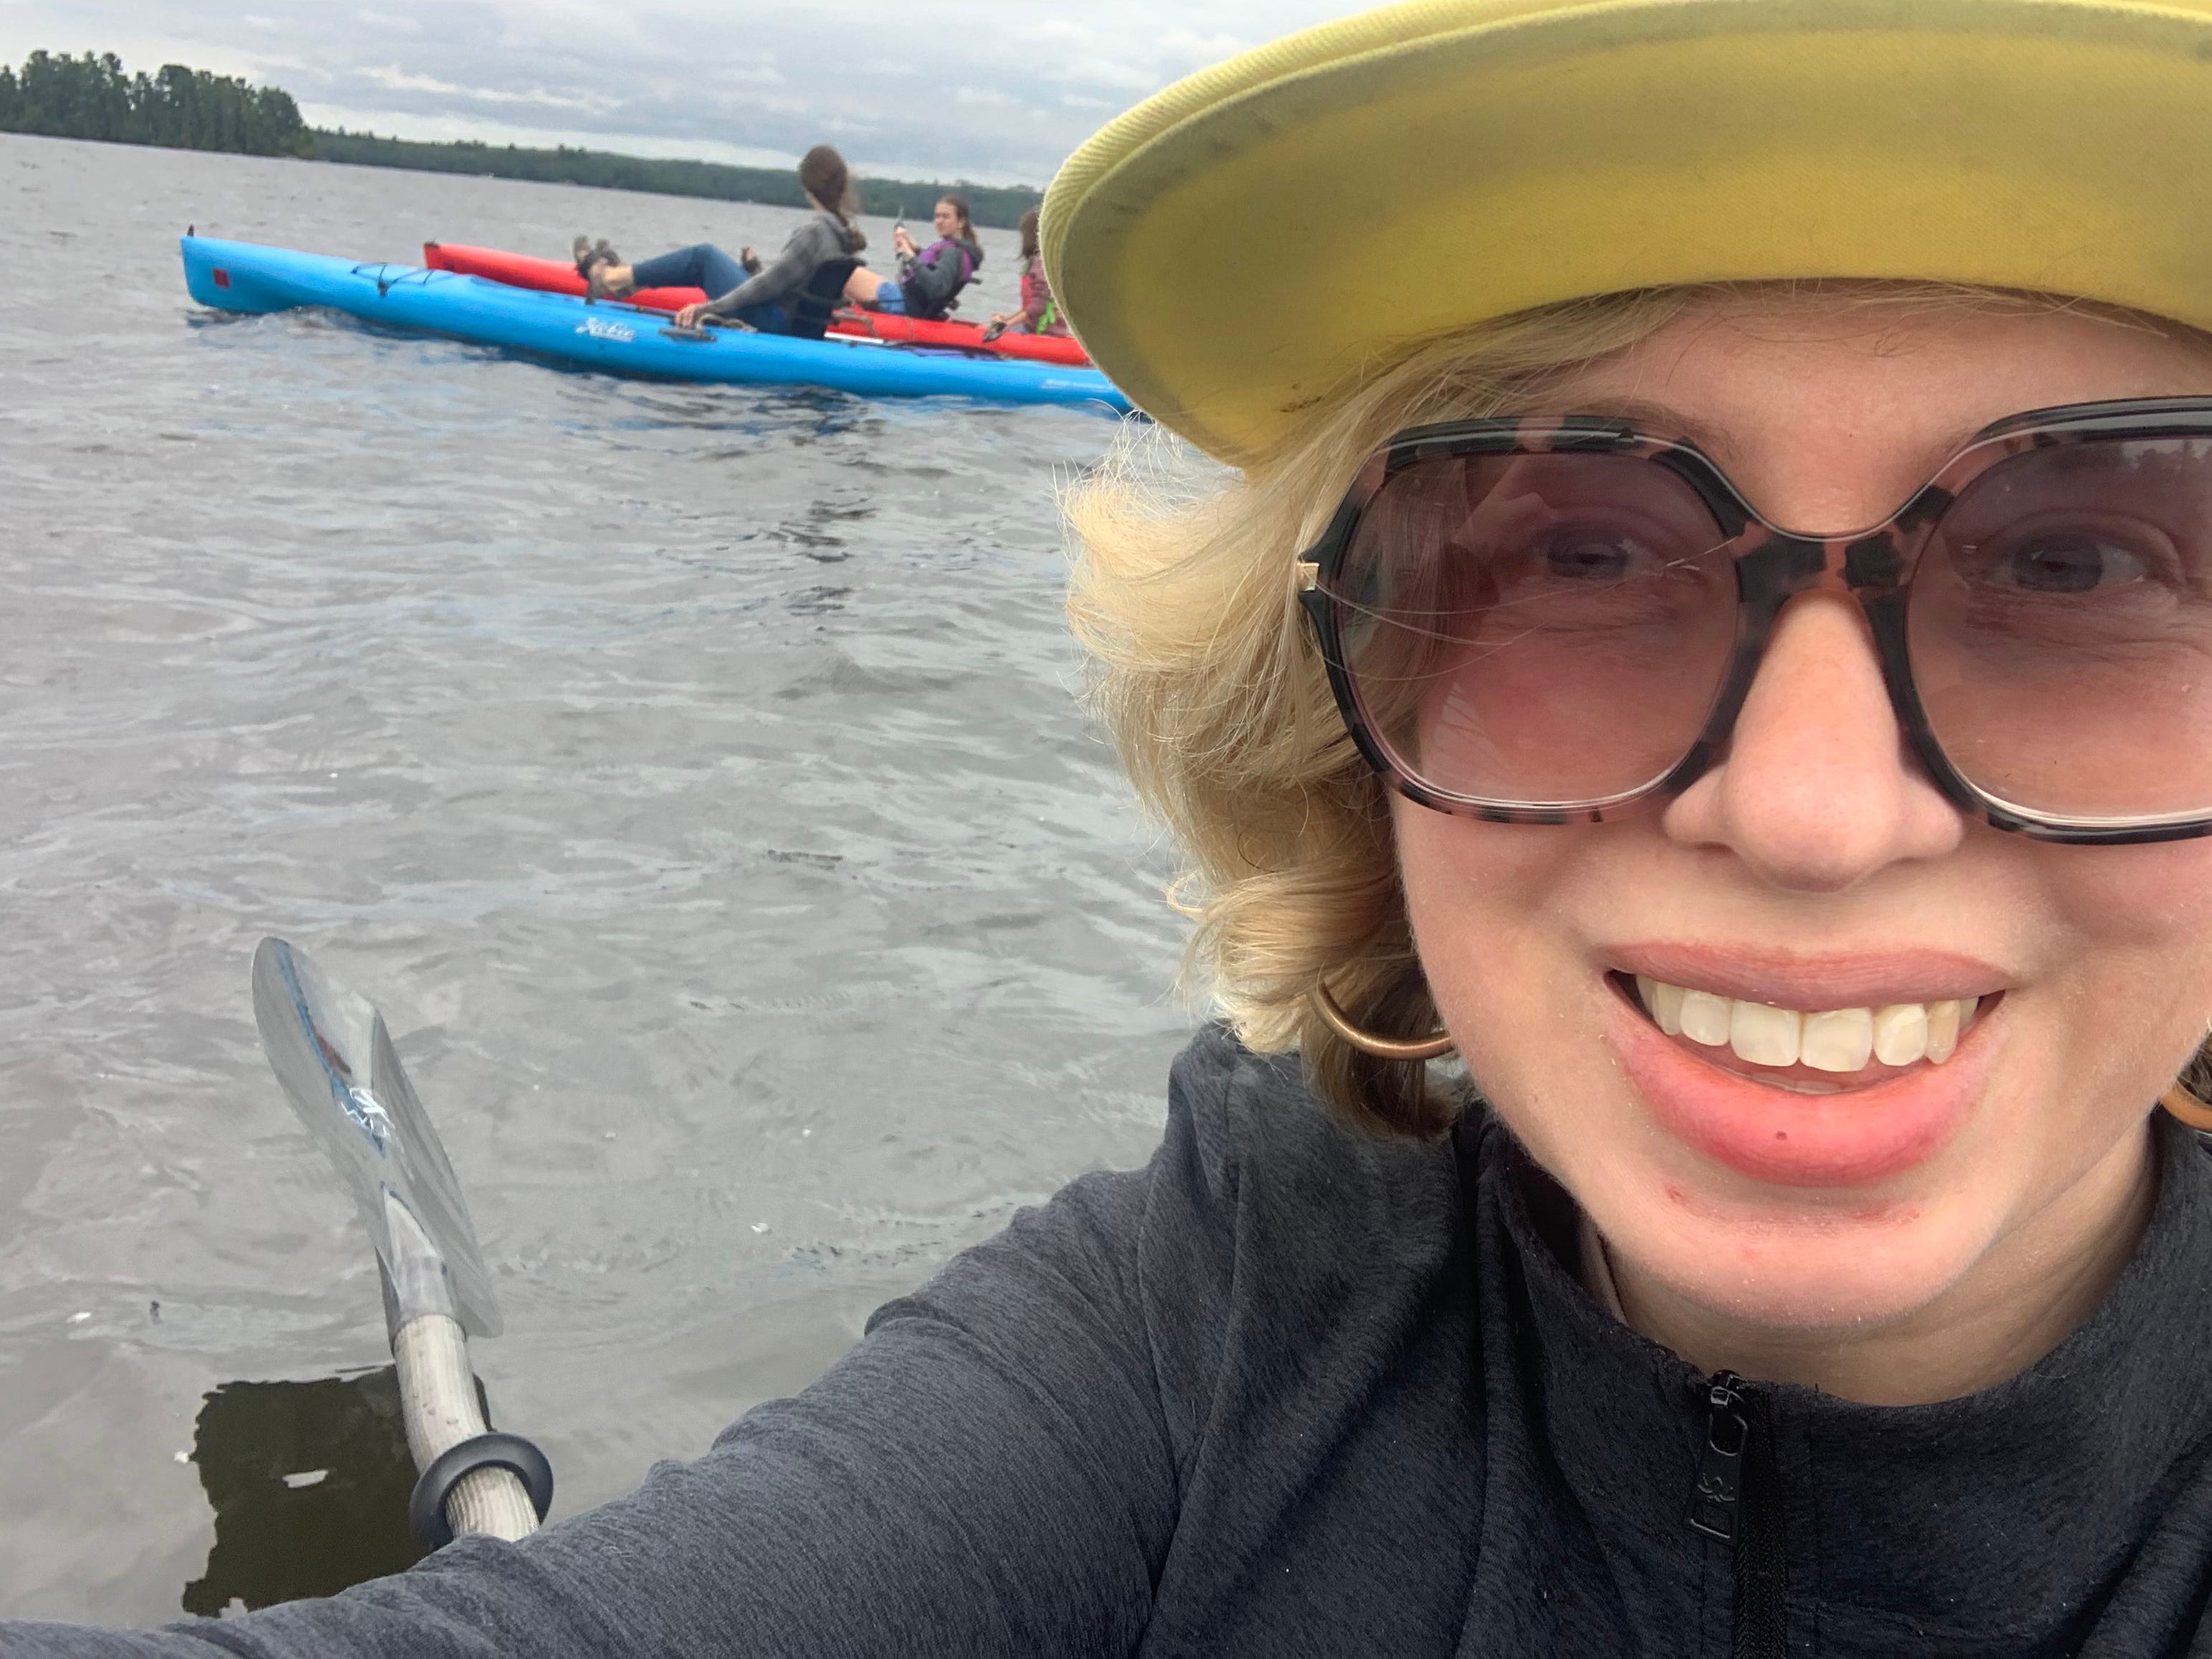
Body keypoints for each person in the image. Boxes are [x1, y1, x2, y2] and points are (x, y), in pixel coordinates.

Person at [17, 0, 2212, 1652]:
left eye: (2080, 554)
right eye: (1579, 547)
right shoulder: (1233, 1296)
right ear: (1346, 694)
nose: (1815, 816)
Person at [574, 144, 866, 337]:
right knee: (708, 262)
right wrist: (752, 270)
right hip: (795, 325)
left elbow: (767, 287)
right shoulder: (841, 234)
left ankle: (612, 278)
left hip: (775, 324)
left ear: (807, 186)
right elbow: (792, 286)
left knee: (704, 257)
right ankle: (625, 281)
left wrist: (709, 308)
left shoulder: (815, 232)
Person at [842, 193, 982, 321]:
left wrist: (909, 255)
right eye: (937, 216)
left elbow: (937, 287)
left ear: (961, 222)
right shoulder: (956, 250)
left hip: (903, 303)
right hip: (905, 299)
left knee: (844, 273)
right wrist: (916, 249)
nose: (939, 221)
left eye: (946, 217)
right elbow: (933, 268)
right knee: (850, 272)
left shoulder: (953, 252)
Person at [982, 208, 1069, 340]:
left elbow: (1039, 306)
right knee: (985, 328)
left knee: (981, 332)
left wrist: (1005, 325)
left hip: (1042, 333)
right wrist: (1008, 319)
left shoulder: (1041, 263)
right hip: (1035, 328)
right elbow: (1031, 307)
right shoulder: (1041, 262)